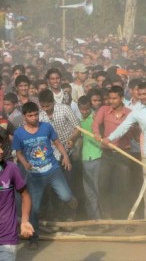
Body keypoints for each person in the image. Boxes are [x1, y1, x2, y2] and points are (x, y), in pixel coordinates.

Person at [12, 102, 77, 249]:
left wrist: (65, 156)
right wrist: (24, 163)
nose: (34, 118)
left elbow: (57, 142)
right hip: (35, 176)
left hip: (53, 170)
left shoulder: (46, 127)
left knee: (66, 196)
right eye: (30, 115)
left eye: (36, 114)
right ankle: (33, 238)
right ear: (24, 116)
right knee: (34, 208)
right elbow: (18, 152)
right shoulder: (19, 133)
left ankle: (72, 201)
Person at [105, 82, 146, 220]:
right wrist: (109, 139)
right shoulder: (137, 111)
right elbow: (123, 127)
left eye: (145, 94)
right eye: (140, 94)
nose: (142, 97)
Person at [92, 86, 137, 219]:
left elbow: (134, 133)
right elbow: (95, 125)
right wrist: (97, 134)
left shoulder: (130, 113)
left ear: (121, 98)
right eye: (110, 98)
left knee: (124, 187)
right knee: (103, 185)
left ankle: (124, 217)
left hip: (124, 153)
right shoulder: (104, 110)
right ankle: (108, 216)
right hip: (108, 154)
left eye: (114, 98)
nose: (111, 101)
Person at [0, 137, 34, 260]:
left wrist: (25, 221)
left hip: (6, 238)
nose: (1, 151)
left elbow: (25, 195)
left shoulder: (11, 168)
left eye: (1, 147)